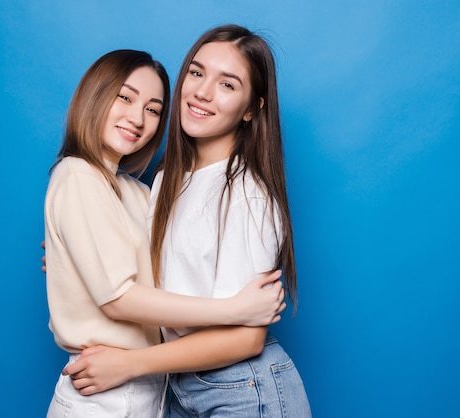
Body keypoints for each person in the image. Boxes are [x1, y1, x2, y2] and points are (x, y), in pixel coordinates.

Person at [61, 25, 312, 417]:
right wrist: (71, 256)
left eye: (227, 85)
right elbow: (126, 256)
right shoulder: (164, 182)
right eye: (196, 73)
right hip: (181, 388)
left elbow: (245, 339)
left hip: (244, 389)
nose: (202, 92)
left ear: (251, 109)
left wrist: (130, 364)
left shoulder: (246, 193)